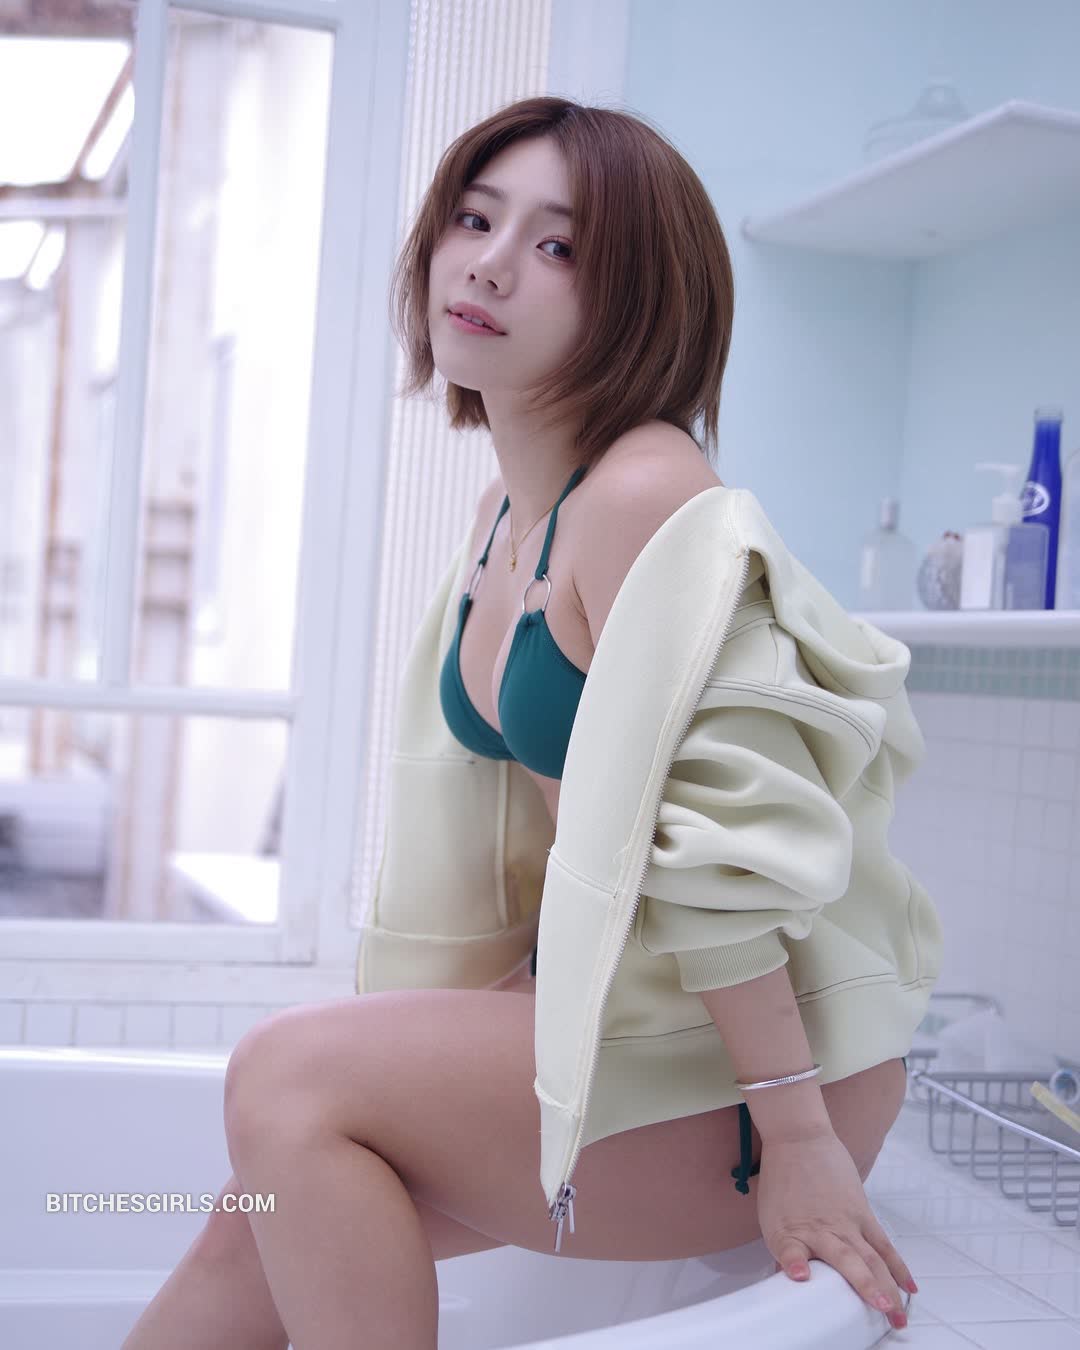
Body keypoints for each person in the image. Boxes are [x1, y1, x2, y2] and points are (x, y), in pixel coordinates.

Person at [123, 96, 934, 1350]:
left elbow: (725, 844)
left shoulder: (649, 493)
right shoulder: (508, 514)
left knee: (284, 1074)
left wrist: (799, 1139)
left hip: (759, 1086)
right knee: (260, 1209)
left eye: (557, 245)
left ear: (638, 300)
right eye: (474, 218)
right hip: (643, 1022)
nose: (491, 263)